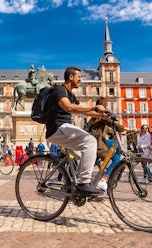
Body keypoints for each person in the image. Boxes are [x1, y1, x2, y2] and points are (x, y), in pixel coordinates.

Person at [45, 66, 107, 196]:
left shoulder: (71, 95)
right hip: (58, 128)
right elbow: (68, 107)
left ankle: (73, 187)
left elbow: (83, 110)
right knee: (90, 141)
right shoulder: (59, 90)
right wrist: (94, 107)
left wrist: (105, 115)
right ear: (71, 77)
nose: (81, 80)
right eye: (79, 77)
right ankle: (84, 183)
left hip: (64, 129)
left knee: (81, 156)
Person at [88, 96, 135, 191]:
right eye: (106, 106)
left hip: (101, 140)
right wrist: (127, 128)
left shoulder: (100, 118)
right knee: (117, 159)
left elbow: (109, 129)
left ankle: (112, 169)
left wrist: (122, 132)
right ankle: (103, 179)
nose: (107, 108)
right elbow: (112, 124)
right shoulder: (100, 116)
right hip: (98, 143)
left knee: (115, 144)